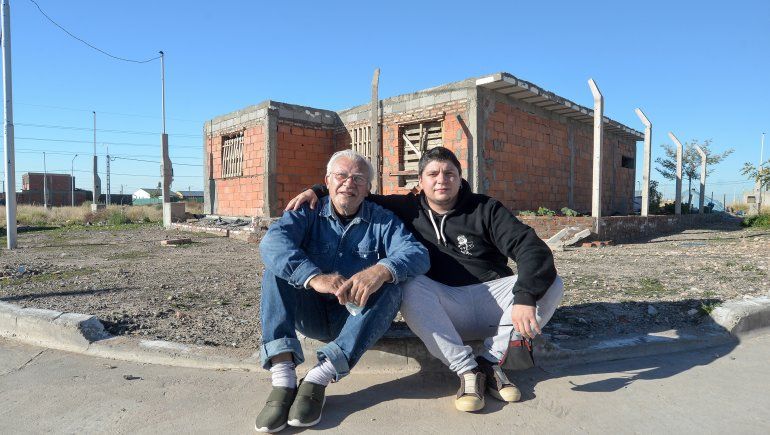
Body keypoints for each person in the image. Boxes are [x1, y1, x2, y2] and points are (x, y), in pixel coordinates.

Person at [286, 146, 564, 413]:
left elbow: (531, 248)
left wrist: (525, 296)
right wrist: (317, 190)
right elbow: (354, 190)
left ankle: (490, 361)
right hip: (444, 309)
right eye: (433, 174)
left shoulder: (486, 208)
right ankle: (467, 369)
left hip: (493, 301)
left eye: (449, 174)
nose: (441, 180)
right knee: (407, 283)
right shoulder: (406, 208)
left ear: (460, 179)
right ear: (420, 181)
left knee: (551, 283)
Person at [256, 150, 429, 432]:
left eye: (358, 178)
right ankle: (283, 378)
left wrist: (380, 270)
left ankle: (319, 377)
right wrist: (313, 277)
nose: (349, 183)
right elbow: (272, 243)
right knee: (276, 270)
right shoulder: (307, 212)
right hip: (309, 314)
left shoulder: (383, 221)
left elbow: (418, 254)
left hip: (354, 319)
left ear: (368, 189)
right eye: (342, 175)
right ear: (327, 181)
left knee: (393, 284)